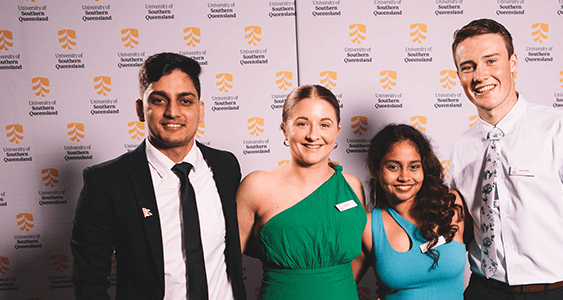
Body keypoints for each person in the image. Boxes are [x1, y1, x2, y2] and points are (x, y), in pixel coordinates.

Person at [449, 19, 563, 300]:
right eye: (468, 67)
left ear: (513, 63)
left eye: (491, 61)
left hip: (551, 293)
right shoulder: (460, 149)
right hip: (483, 291)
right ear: (459, 75)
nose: (480, 75)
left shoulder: (561, 129)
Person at [71, 52, 246, 300]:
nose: (173, 112)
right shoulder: (106, 182)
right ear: (140, 109)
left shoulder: (225, 166)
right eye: (160, 100)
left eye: (185, 101)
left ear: (200, 109)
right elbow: (89, 283)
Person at [236, 84, 366, 300]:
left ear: (337, 131)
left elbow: (362, 254)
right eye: (302, 123)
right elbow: (226, 263)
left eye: (324, 124)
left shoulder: (352, 186)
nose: (313, 135)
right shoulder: (256, 186)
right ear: (285, 129)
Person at [353, 124, 467, 299]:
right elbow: (340, 286)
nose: (404, 177)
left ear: (424, 168)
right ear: (375, 170)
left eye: (414, 167)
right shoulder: (368, 227)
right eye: (393, 167)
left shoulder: (450, 205)